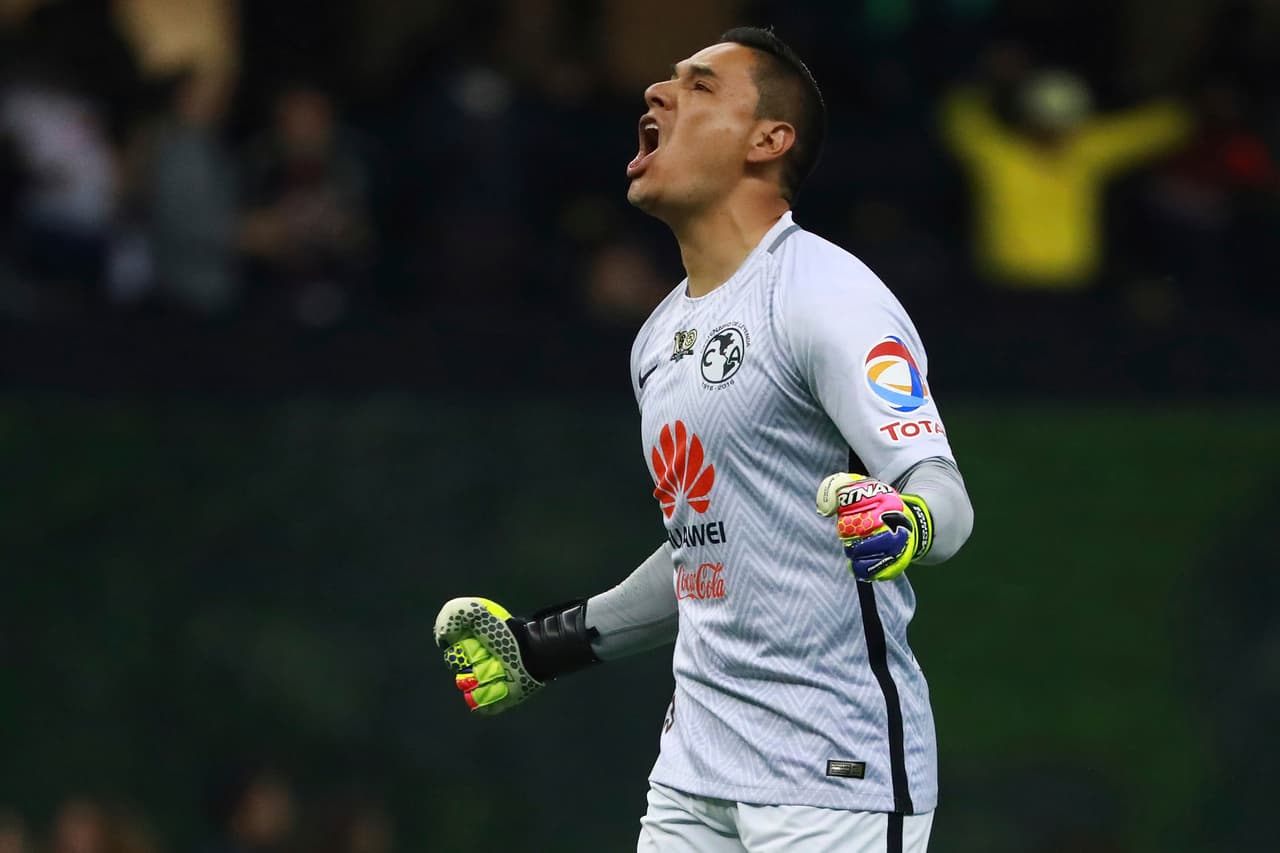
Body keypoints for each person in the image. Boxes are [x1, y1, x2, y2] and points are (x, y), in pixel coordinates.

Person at [434, 27, 973, 853]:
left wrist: (908, 523)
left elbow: (944, 495)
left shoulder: (828, 294)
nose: (656, 93)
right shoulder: (657, 339)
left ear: (769, 139)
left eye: (697, 86)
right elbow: (707, 551)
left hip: (831, 777)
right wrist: (546, 645)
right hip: (694, 776)